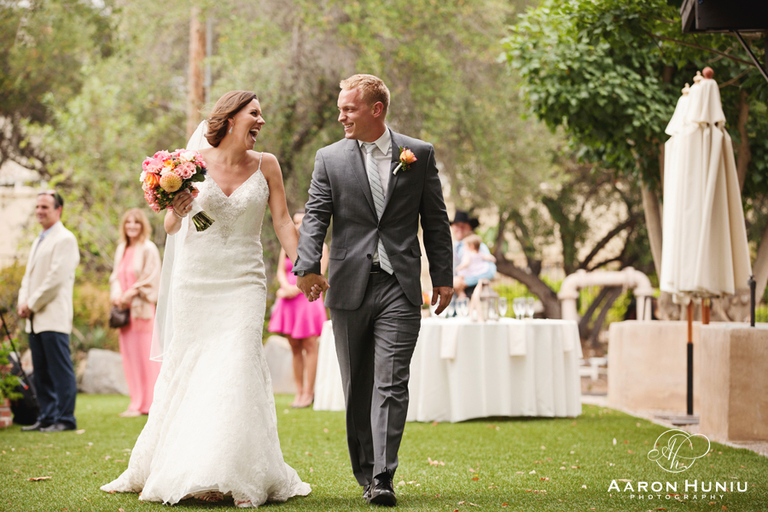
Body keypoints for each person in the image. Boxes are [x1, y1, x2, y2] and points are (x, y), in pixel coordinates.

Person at [101, 91, 311, 508]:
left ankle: (234, 472)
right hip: (196, 281)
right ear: (230, 118)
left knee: (237, 363)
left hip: (245, 280)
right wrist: (178, 208)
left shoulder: (267, 164)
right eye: (254, 113)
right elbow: (170, 226)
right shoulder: (190, 163)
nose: (261, 121)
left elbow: (283, 221)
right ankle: (190, 467)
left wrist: (304, 267)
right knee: (194, 370)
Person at [294, 74, 454, 507]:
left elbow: (435, 220)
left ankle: (383, 476)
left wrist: (443, 275)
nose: (341, 117)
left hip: (400, 286)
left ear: (376, 109)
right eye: (341, 109)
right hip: (349, 286)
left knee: (392, 381)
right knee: (358, 386)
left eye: (349, 109)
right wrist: (306, 266)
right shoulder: (329, 158)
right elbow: (315, 216)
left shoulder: (419, 153)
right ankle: (365, 471)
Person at [17, 190, 80, 433]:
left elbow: (55, 279)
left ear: (58, 210)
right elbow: (28, 277)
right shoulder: (39, 239)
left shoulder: (65, 239)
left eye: (45, 207)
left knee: (59, 371)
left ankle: (65, 419)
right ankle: (47, 416)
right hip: (34, 319)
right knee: (41, 371)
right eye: (37, 207)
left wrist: (31, 304)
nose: (39, 211)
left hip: (53, 316)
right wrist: (23, 302)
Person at [268, 210, 328, 408]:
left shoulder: (321, 247)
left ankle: (309, 393)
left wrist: (294, 289)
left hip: (308, 298)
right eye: (295, 222)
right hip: (289, 302)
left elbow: (319, 272)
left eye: (302, 222)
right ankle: (299, 392)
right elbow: (280, 272)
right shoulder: (286, 245)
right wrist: (285, 287)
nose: (298, 226)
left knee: (310, 346)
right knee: (294, 348)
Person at [108, 208, 162, 417]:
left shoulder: (148, 248)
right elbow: (115, 276)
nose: (132, 226)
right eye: (128, 222)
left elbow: (152, 277)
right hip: (124, 315)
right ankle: (136, 403)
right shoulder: (122, 249)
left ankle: (151, 404)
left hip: (142, 312)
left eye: (136, 222)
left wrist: (131, 292)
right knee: (130, 359)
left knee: (146, 359)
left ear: (142, 225)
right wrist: (117, 295)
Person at [451, 210, 496, 297]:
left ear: (469, 228)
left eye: (463, 226)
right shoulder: (451, 248)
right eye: (457, 225)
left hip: (474, 293)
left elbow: (491, 271)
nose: (459, 229)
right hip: (454, 297)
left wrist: (464, 282)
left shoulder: (478, 246)